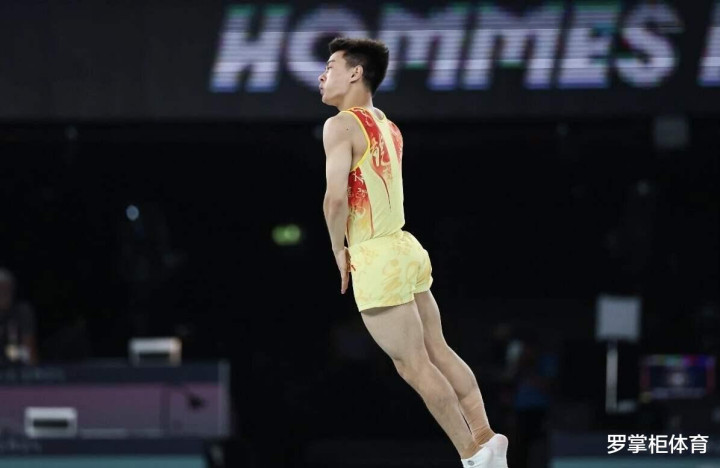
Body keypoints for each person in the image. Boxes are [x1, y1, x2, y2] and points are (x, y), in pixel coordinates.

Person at [319, 37, 508, 468]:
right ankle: (486, 435)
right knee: (438, 349)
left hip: (376, 256)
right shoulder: (387, 124)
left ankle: (472, 455)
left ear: (355, 73)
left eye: (330, 66)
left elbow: (335, 199)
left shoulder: (340, 125)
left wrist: (337, 248)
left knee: (414, 365)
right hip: (405, 248)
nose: (321, 75)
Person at [0, 268, 37, 365]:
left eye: (7, 289)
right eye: (1, 289)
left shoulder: (21, 312)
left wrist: (7, 353)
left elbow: (29, 353)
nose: (4, 293)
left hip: (14, 366)